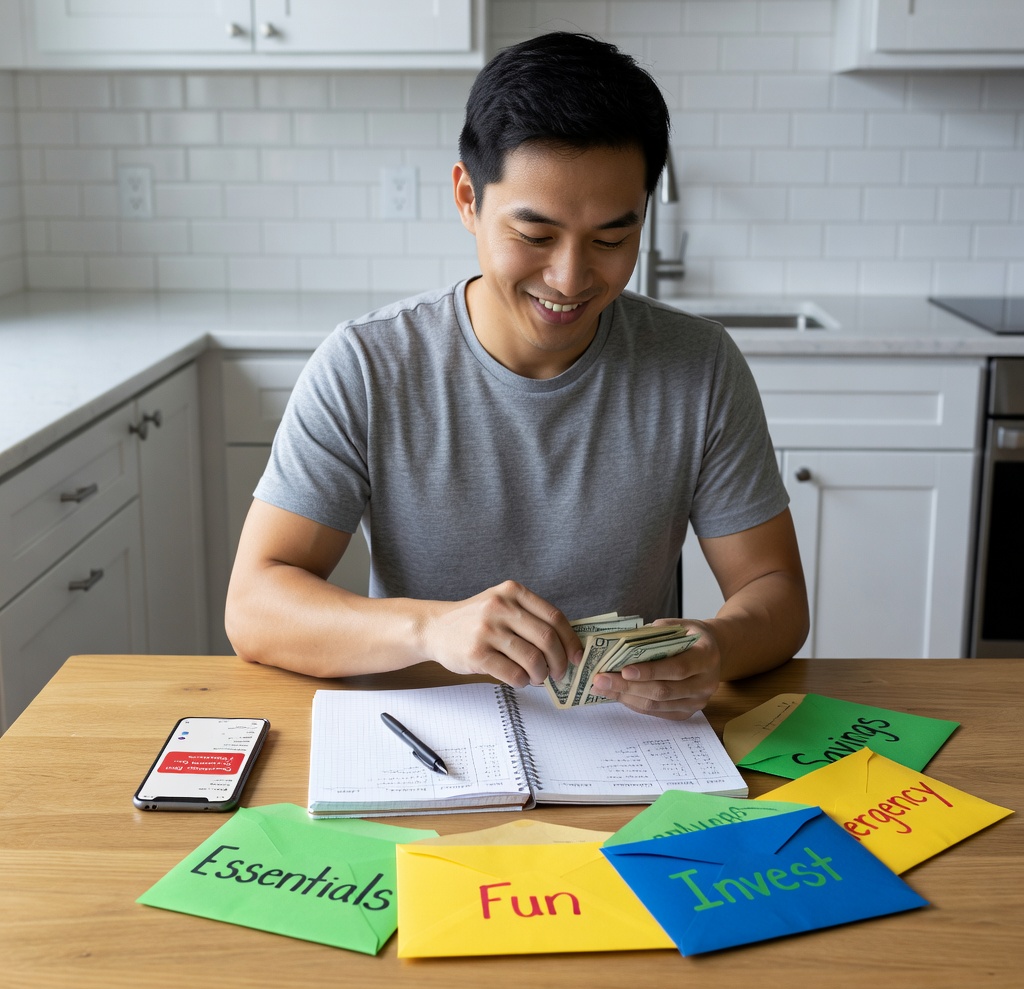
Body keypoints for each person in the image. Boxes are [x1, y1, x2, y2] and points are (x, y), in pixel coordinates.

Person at [225, 32, 808, 720]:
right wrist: (429, 629)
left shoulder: (699, 367)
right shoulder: (367, 366)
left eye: (612, 240)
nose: (569, 278)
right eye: (535, 236)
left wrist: (716, 645)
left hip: (626, 743)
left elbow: (775, 591)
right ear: (468, 198)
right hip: (426, 733)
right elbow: (256, 608)